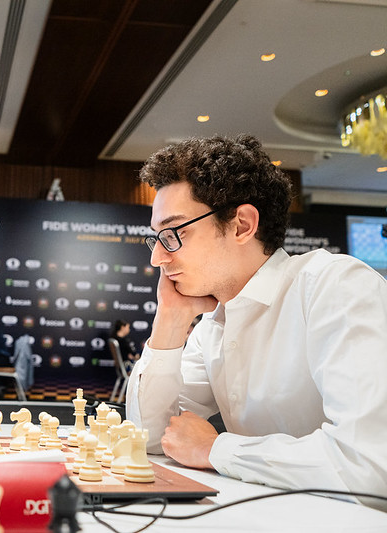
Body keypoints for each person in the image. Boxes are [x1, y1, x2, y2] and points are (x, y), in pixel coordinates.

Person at [126, 134, 387, 508]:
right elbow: (148, 438)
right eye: (157, 239)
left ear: (241, 225)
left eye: (174, 234)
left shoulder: (334, 286)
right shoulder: (215, 323)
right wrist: (169, 320)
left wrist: (218, 449)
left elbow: (370, 467)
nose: (158, 260)